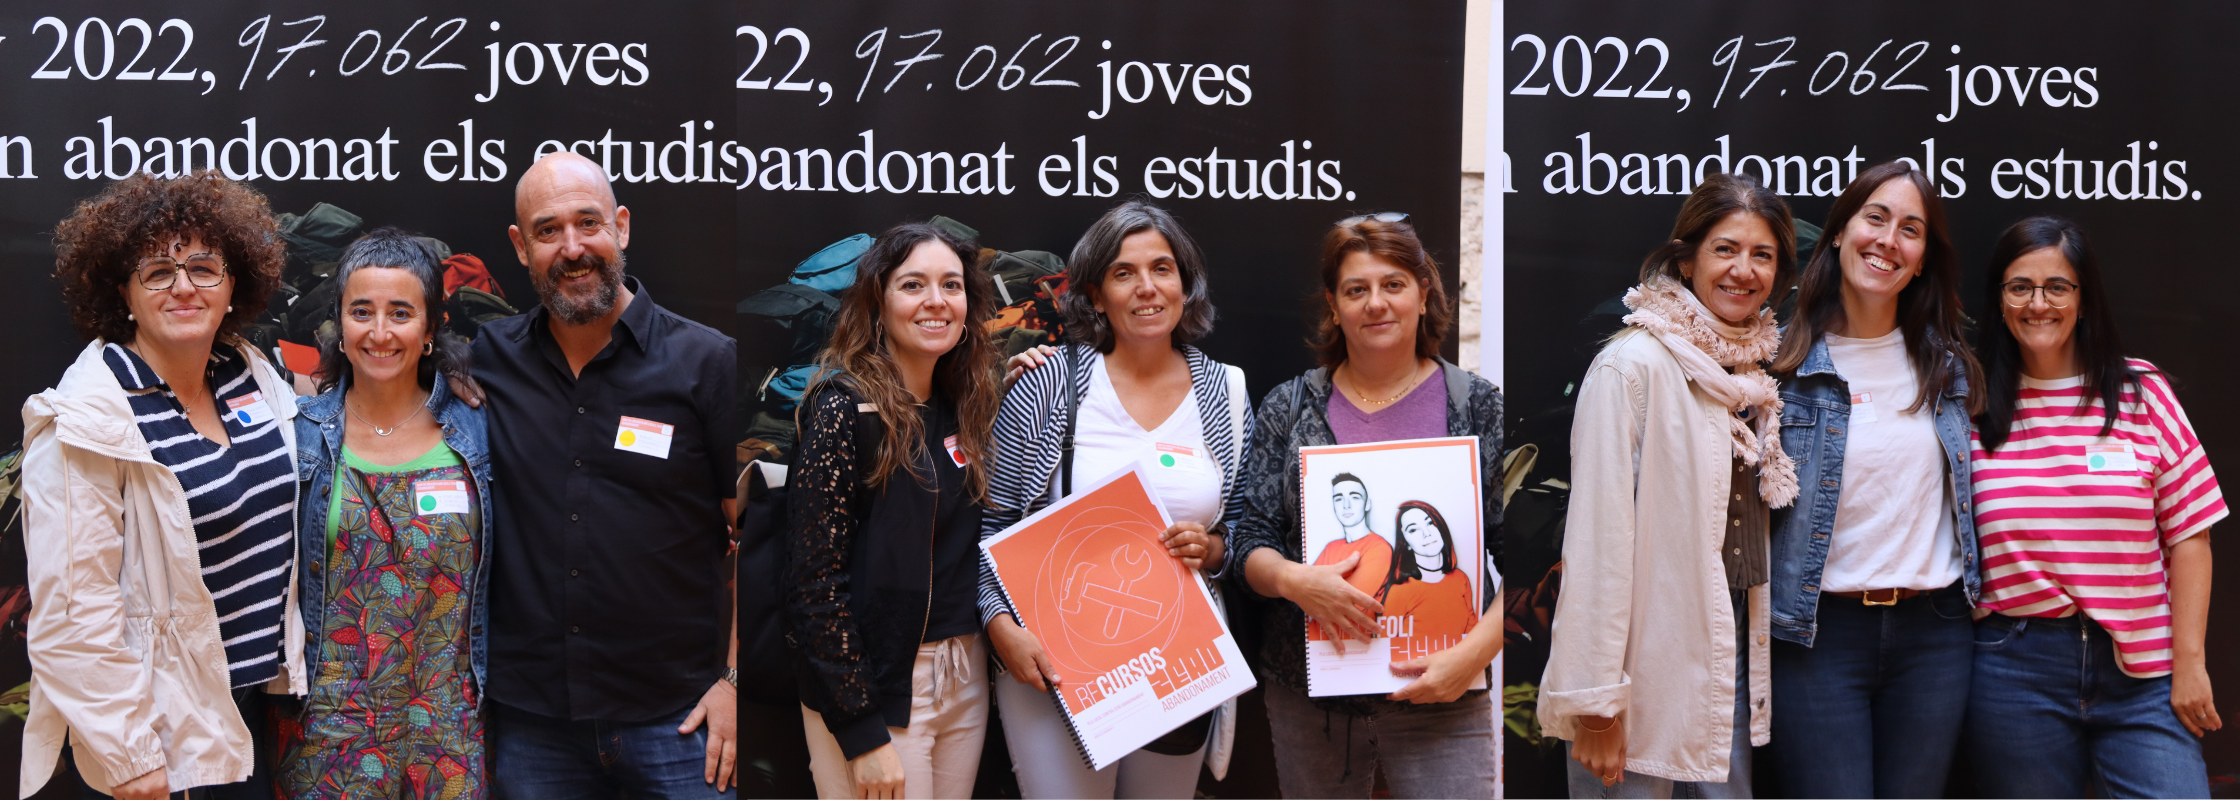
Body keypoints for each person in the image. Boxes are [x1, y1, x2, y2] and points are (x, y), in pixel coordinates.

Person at [20, 171, 305, 800]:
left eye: (203, 268)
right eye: (156, 272)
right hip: (163, 738)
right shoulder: (86, 419)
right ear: (122, 291)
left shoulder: (246, 372)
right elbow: (72, 615)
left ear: (233, 285)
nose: (183, 287)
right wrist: (132, 758)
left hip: (251, 713)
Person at [470, 152, 740, 798]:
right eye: (547, 230)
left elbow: (754, 538)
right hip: (534, 726)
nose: (572, 248)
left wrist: (735, 681)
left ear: (621, 226)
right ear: (520, 247)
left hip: (680, 721)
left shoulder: (707, 363)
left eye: (588, 223)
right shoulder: (487, 361)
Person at [1538, 174, 1799, 798]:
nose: (1743, 270)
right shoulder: (1632, 365)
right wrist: (1597, 705)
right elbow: (1596, 546)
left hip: (1726, 649)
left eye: (1762, 255)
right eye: (1725, 249)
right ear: (1686, 261)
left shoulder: (1753, 376)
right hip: (1642, 665)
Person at [979, 199, 1250, 798]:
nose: (1146, 287)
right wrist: (998, 625)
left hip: (1177, 659)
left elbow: (1244, 529)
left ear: (1185, 284)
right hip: (1056, 663)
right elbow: (989, 525)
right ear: (1095, 295)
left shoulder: (1226, 391)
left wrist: (1212, 549)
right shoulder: (1049, 384)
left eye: (1162, 269)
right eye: (1123, 273)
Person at [1227, 213, 1504, 799]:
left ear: (1423, 294)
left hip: (1444, 696)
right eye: (1356, 290)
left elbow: (1529, 561)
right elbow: (1248, 539)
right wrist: (1294, 581)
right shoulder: (1289, 407)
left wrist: (1473, 657)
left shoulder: (1478, 407)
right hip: (1311, 704)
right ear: (1334, 306)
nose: (1376, 303)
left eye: (1393, 285)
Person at [1962, 216, 2225, 798]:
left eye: (2057, 287)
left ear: (2083, 300)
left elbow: (2192, 534)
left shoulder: (2141, 391)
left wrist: (2190, 662)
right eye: (2021, 287)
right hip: (2014, 669)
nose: (2039, 304)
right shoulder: (1972, 405)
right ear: (2000, 299)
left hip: (2143, 672)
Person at [1764, 161, 1985, 798]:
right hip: (1817, 637)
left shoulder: (1951, 370)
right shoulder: (1781, 367)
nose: (1889, 240)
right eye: (1876, 218)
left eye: (1910, 229)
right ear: (1840, 231)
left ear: (1923, 259)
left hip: (1935, 635)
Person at [787, 221, 1002, 800]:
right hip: (877, 682)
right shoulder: (842, 409)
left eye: (951, 285)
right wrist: (861, 731)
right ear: (877, 303)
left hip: (965, 675)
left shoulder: (967, 403)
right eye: (913, 285)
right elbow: (812, 586)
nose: (937, 301)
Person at [279, 229, 491, 798]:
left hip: (448, 726)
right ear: (339, 324)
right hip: (333, 726)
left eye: (400, 313)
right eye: (361, 312)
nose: (379, 333)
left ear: (430, 327)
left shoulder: (478, 429)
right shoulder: (300, 434)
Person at [1379, 501, 1478, 663]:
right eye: (1413, 529)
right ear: (1405, 543)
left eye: (1430, 523)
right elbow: (1383, 647)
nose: (1426, 533)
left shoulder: (1461, 579)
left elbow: (1471, 631)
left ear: (1441, 528)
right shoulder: (1399, 591)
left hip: (1459, 670)